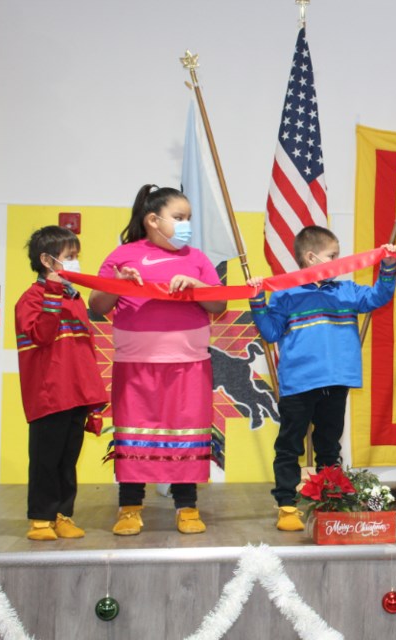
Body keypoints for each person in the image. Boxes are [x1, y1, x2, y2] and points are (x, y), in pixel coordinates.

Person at [89, 185, 226, 535]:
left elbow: (219, 306)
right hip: (135, 365)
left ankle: (187, 507)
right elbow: (97, 306)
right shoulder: (123, 256)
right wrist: (117, 283)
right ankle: (130, 507)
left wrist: (196, 286)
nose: (186, 226)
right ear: (153, 220)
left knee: (188, 433)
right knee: (134, 434)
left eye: (188, 219)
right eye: (178, 218)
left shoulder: (196, 258)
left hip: (189, 362)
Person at [247, 227, 396, 531]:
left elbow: (379, 296)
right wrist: (257, 302)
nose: (338, 261)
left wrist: (389, 265)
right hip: (298, 383)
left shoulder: (346, 290)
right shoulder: (285, 292)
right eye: (333, 256)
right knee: (290, 444)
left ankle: (332, 501)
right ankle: (287, 504)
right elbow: (271, 332)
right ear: (312, 258)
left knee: (329, 444)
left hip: (336, 381)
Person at [15, 226, 108, 541]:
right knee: (46, 460)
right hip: (49, 396)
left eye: (77, 256)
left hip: (77, 395)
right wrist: (53, 294)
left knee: (68, 461)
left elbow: (86, 352)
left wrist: (93, 400)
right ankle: (40, 519)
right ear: (46, 259)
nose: (76, 262)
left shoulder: (75, 298)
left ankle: (63, 514)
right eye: (70, 257)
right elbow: (41, 336)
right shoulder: (30, 298)